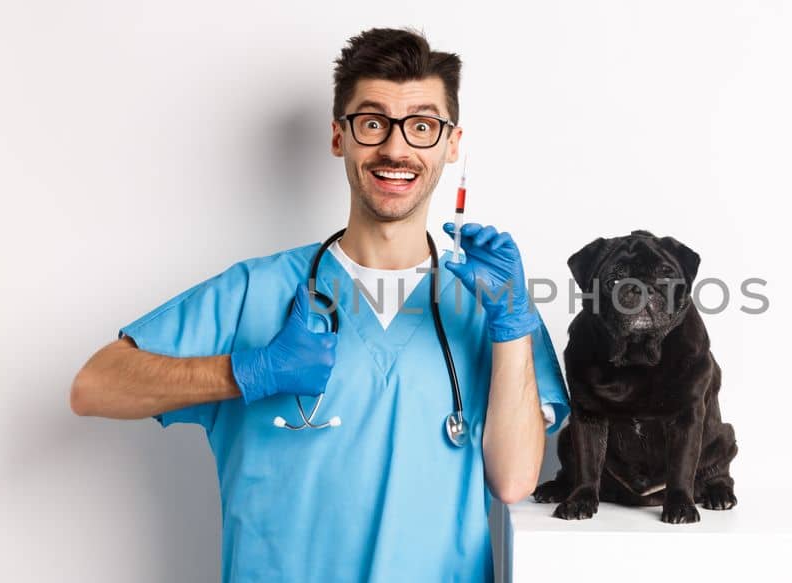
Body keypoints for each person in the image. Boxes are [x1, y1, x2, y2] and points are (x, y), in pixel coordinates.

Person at [69, 28, 570, 582]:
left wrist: (511, 324)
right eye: (373, 122)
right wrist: (249, 371)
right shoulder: (253, 291)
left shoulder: (490, 302)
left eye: (422, 126)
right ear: (340, 137)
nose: (396, 149)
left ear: (452, 144)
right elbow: (94, 386)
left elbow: (514, 480)